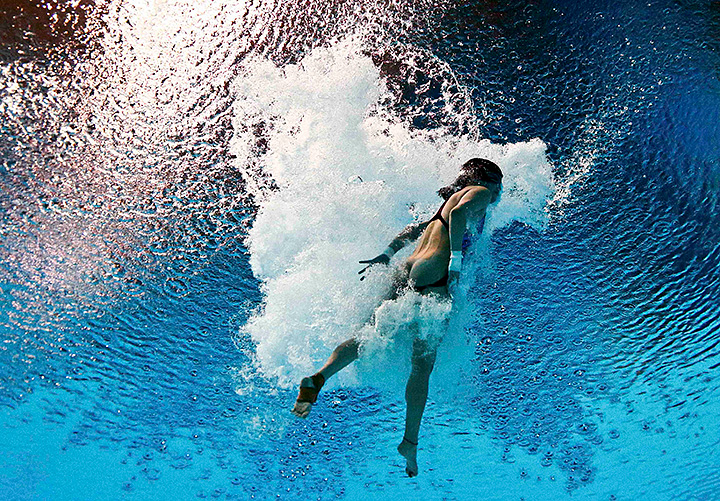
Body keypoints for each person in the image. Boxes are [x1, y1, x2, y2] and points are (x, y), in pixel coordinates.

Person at [291, 158, 503, 477]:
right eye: (499, 181)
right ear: (489, 179)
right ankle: (409, 442)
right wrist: (455, 264)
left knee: (368, 336)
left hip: (406, 267)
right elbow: (461, 215)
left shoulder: (445, 203)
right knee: (422, 364)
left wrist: (387, 254)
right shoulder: (479, 194)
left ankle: (318, 377)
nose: (501, 190)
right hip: (434, 275)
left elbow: (413, 230)